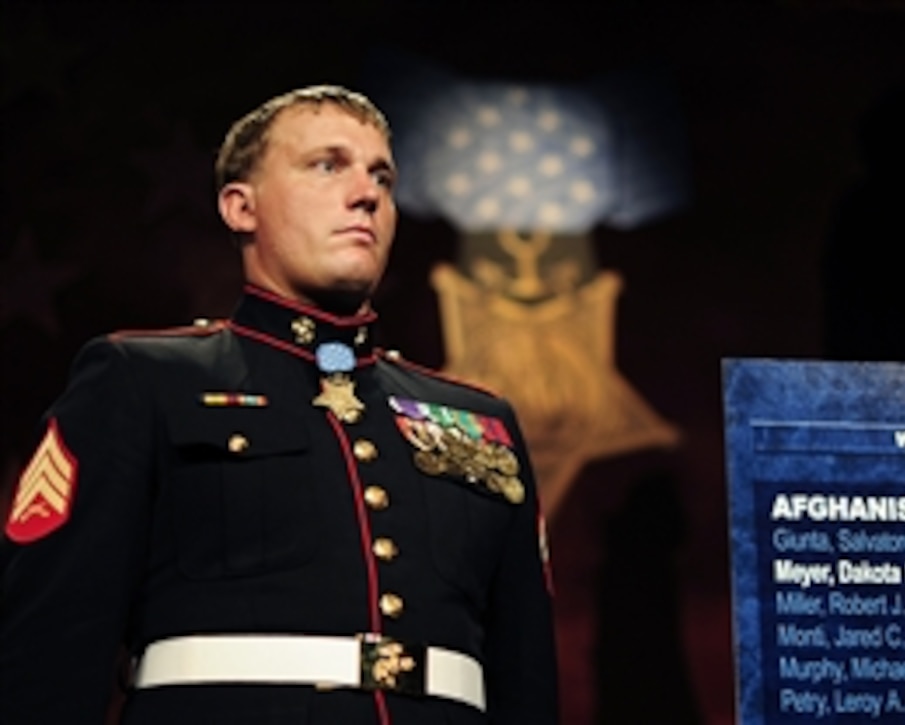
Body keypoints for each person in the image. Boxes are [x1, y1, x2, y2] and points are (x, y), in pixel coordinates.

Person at [0, 85, 558, 725]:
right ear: (241, 207)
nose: (366, 193)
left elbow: (525, 680)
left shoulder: (483, 424)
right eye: (328, 165)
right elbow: (48, 648)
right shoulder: (141, 380)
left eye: (382, 175)